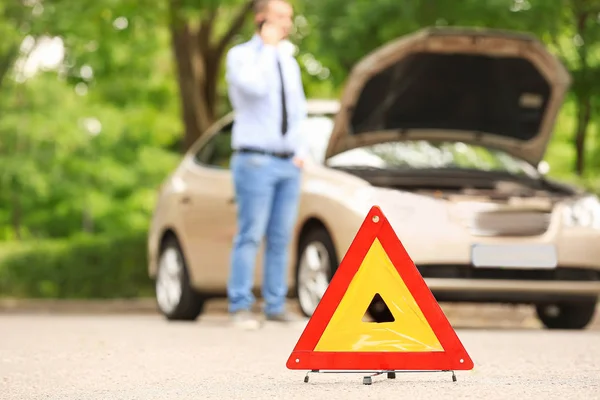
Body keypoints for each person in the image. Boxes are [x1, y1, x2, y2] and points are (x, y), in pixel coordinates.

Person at [224, 0, 308, 330]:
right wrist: (266, 49)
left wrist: (302, 150)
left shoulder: (288, 60)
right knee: (250, 234)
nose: (287, 23)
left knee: (281, 237)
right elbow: (254, 88)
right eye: (280, 18)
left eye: (289, 17)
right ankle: (240, 306)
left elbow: (298, 109)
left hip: (289, 163)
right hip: (255, 159)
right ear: (261, 21)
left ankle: (275, 305)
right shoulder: (242, 56)